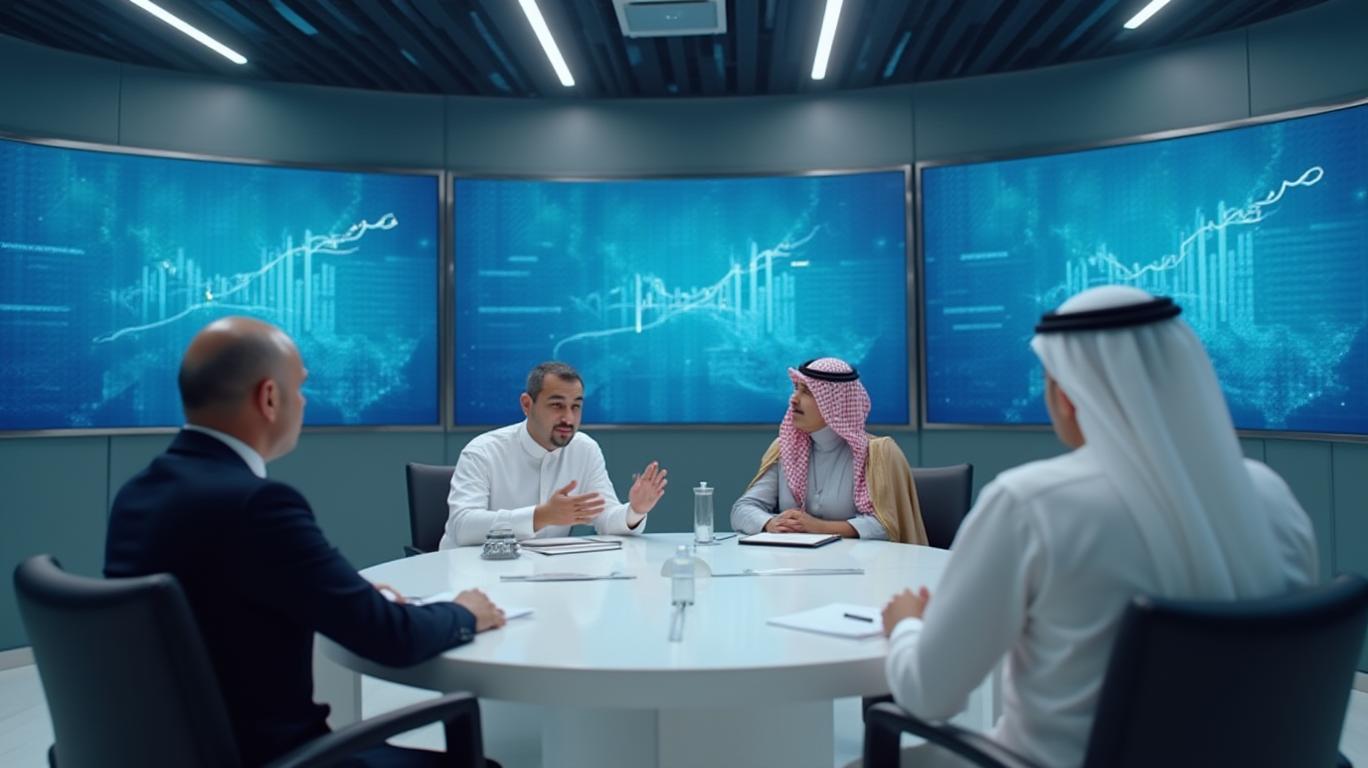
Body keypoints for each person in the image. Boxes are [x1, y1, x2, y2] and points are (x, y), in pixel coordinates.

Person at [875, 286, 1318, 768]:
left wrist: (907, 624)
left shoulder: (1031, 504)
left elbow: (929, 695)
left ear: (1067, 395)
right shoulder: (1273, 496)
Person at [105, 317, 506, 768]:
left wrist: (340, 595)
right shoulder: (257, 505)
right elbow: (393, 639)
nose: (304, 401)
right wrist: (464, 612)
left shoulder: (138, 494)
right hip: (275, 756)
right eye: (299, 388)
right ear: (269, 398)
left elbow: (220, 600)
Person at [440, 361, 667, 548]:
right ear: (527, 405)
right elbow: (463, 527)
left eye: (576, 406)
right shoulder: (483, 452)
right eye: (557, 405)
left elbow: (605, 518)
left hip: (545, 575)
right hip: (471, 574)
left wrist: (635, 510)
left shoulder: (584, 449)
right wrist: (541, 516)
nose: (568, 418)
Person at [731, 357, 928, 544]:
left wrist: (820, 527)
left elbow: (887, 525)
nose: (794, 400)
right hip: (796, 564)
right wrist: (771, 523)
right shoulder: (785, 448)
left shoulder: (877, 453)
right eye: (796, 389)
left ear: (836, 403)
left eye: (807, 392)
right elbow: (742, 509)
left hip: (859, 565)